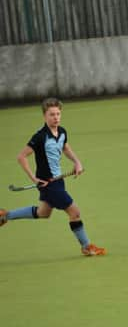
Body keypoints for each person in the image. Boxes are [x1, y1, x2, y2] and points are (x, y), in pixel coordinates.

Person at [0, 98, 106, 256]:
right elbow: (21, 157)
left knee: (44, 212)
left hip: (58, 180)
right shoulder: (40, 137)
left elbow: (65, 148)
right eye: (51, 115)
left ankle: (5, 215)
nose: (55, 117)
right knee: (74, 212)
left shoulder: (62, 131)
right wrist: (34, 180)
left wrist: (77, 162)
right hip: (47, 183)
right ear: (44, 116)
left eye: (58, 114)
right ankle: (86, 246)